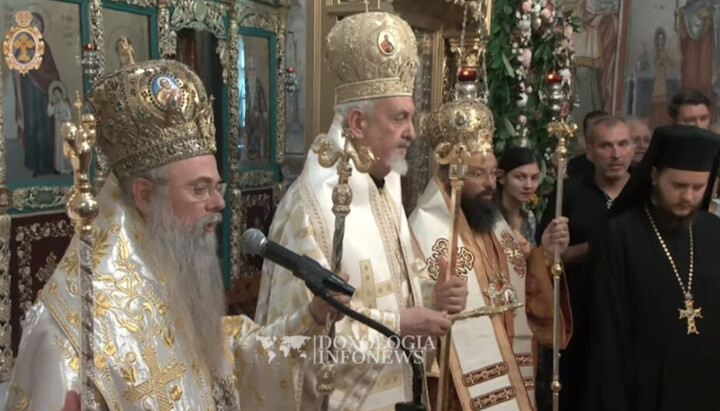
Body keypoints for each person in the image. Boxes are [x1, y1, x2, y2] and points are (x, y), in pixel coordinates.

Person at [5, 56, 349, 410]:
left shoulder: (164, 269)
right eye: (200, 189)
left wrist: (311, 317)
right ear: (145, 195)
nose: (218, 202)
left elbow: (226, 362)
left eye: (217, 186)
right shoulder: (76, 331)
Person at [255, 11, 465, 411]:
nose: (412, 132)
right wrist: (400, 325)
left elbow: (403, 284)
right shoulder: (312, 206)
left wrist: (432, 294)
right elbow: (301, 332)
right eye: (400, 118)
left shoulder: (382, 184)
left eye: (412, 117)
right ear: (357, 123)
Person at [410, 96, 571, 410]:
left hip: (513, 363)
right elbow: (412, 304)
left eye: (491, 173)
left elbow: (521, 278)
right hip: (457, 385)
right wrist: (435, 298)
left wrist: (546, 254)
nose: (488, 184)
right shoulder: (422, 230)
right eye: (477, 174)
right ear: (449, 176)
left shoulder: (492, 221)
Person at [584, 125, 720, 411]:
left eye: (699, 187)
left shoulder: (713, 231)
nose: (688, 197)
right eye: (679, 186)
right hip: (642, 391)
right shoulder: (618, 235)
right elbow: (606, 333)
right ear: (655, 176)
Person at [536, 114, 633, 411]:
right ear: (589, 151)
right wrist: (592, 249)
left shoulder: (646, 193)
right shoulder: (569, 194)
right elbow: (546, 259)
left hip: (633, 319)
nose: (615, 154)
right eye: (605, 146)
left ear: (632, 148)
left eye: (622, 144)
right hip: (579, 321)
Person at [13, 12, 61, 177]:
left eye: (39, 25)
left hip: (46, 93)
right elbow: (17, 67)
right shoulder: (23, 44)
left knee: (47, 128)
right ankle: (35, 166)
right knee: (33, 126)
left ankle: (49, 165)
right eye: (33, 25)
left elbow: (52, 70)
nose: (36, 28)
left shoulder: (44, 46)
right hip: (30, 93)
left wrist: (55, 87)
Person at [566, 110, 607, 179]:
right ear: (585, 134)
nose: (597, 134)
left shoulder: (619, 162)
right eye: (592, 130)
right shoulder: (575, 165)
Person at [47, 81, 72, 173]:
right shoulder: (56, 104)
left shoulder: (65, 104)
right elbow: (49, 113)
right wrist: (50, 103)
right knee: (58, 146)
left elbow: (69, 117)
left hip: (64, 126)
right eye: (55, 94)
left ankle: (67, 168)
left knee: (65, 146)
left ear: (61, 93)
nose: (57, 95)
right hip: (57, 126)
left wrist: (62, 117)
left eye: (58, 93)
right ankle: (59, 168)